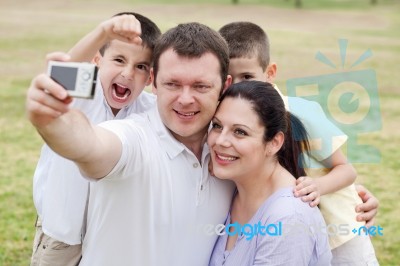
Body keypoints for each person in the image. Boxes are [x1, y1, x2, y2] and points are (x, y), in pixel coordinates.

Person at [27, 22, 236, 266]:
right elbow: (88, 140)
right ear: (156, 82)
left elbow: (274, 113)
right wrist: (50, 118)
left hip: (94, 231)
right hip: (63, 231)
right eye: (172, 84)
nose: (185, 99)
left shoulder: (148, 105)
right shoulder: (95, 95)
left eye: (200, 86)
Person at [219, 21, 379, 265]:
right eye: (230, 79)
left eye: (248, 76)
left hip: (340, 233)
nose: (240, 87)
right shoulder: (225, 120)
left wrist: (318, 185)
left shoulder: (301, 112)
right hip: (291, 231)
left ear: (270, 73)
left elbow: (347, 169)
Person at [31, 13, 160, 266]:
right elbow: (60, 74)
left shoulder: (148, 108)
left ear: (150, 78)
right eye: (119, 60)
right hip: (62, 236)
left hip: (110, 239)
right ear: (97, 61)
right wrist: (103, 32)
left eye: (141, 66)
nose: (127, 73)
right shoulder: (84, 93)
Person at [208, 81, 332, 265]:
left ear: (274, 143)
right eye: (217, 126)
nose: (220, 141)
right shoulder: (231, 188)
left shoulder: (288, 218)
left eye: (240, 132)